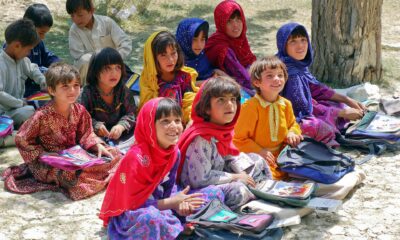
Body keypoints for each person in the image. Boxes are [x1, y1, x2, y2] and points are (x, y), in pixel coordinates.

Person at [99, 97, 224, 239]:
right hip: (135, 212)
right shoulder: (136, 158)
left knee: (214, 193)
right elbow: (132, 203)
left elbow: (169, 187)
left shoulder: (173, 152)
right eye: (165, 121)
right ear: (149, 126)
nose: (174, 126)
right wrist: (172, 203)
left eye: (177, 120)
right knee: (152, 219)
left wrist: (180, 204)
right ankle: (176, 227)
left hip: (164, 204)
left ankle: (174, 225)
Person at [4, 62, 120, 200]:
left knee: (115, 154)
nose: (72, 91)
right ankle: (89, 176)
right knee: (69, 176)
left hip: (75, 156)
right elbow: (21, 139)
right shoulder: (41, 116)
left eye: (76, 85)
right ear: (52, 90)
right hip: (48, 163)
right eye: (65, 86)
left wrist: (97, 145)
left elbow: (86, 133)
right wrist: (44, 154)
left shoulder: (80, 110)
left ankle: (91, 172)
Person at [177, 76, 271, 210]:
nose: (230, 105)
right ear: (207, 108)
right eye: (221, 100)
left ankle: (265, 192)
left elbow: (230, 155)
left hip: (219, 174)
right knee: (238, 190)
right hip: (199, 189)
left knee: (257, 161)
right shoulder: (202, 138)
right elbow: (199, 180)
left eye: (233, 99)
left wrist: (244, 171)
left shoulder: (222, 129)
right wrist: (235, 177)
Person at [276, 22, 366, 147]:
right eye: (293, 42)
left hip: (303, 107)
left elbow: (317, 89)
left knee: (336, 103)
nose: (300, 46)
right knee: (315, 125)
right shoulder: (290, 73)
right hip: (287, 117)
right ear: (283, 45)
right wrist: (341, 113)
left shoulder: (297, 64)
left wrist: (347, 100)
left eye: (303, 40)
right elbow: (300, 109)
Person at [234, 56, 303, 180]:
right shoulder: (250, 107)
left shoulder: (286, 104)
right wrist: (260, 151)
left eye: (280, 75)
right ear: (257, 82)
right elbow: (239, 139)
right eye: (269, 76)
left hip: (283, 154)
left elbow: (293, 124)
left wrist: (292, 133)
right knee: (266, 178)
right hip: (260, 156)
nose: (277, 79)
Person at [80, 47, 136, 144]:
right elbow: (80, 118)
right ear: (96, 72)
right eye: (107, 68)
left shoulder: (123, 90)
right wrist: (95, 125)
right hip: (94, 139)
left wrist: (121, 126)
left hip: (121, 137)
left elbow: (131, 114)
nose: (114, 73)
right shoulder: (86, 94)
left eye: (118, 67)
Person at [139, 31, 198, 124]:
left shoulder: (184, 76)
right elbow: (148, 112)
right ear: (153, 58)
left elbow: (189, 102)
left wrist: (190, 121)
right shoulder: (149, 81)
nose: (170, 60)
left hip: (182, 124)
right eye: (163, 55)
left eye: (173, 53)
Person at [66, 0, 132, 82]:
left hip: (112, 66)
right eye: (72, 16)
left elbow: (125, 43)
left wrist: (114, 59)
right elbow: (79, 56)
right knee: (85, 60)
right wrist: (100, 62)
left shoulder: (107, 23)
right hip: (90, 71)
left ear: (92, 11)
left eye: (80, 15)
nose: (76, 19)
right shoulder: (74, 31)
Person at [0, 19, 46, 129]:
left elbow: (32, 69)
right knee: (29, 112)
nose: (29, 53)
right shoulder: (1, 63)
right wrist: (20, 103)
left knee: (48, 102)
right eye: (28, 50)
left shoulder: (21, 59)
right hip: (4, 113)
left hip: (17, 108)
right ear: (17, 46)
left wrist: (43, 81)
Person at [204, 0, 256, 96]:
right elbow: (245, 80)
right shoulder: (223, 49)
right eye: (229, 21)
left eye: (238, 19)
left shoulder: (240, 40)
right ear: (221, 23)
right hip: (231, 92)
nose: (235, 25)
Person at [22, 3, 60, 97]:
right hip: (25, 90)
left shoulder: (38, 42)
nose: (43, 37)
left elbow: (47, 56)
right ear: (28, 26)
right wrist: (48, 71)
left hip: (40, 85)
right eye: (41, 33)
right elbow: (27, 68)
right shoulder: (18, 46)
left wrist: (59, 65)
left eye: (45, 33)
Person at [176, 18, 225, 85]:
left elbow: (208, 71)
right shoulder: (177, 60)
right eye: (194, 40)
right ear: (185, 39)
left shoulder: (201, 56)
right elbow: (183, 85)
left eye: (202, 39)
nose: (199, 45)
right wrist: (210, 82)